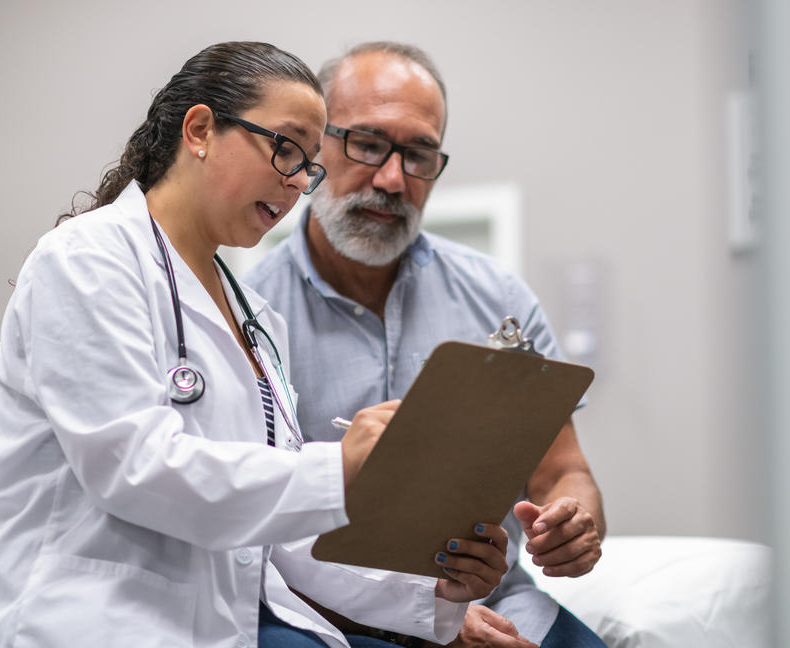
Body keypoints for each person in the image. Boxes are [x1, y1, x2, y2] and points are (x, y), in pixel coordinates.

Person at [0, 41, 511, 648]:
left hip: (216, 624)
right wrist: (339, 465)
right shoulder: (86, 261)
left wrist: (429, 589)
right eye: (285, 148)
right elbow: (133, 467)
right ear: (199, 129)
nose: (300, 180)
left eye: (310, 164)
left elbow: (277, 532)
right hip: (88, 618)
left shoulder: (256, 318)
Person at [247, 42, 608, 648]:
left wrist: (573, 522)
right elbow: (247, 536)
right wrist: (424, 618)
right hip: (321, 609)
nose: (392, 179)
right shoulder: (250, 313)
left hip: (491, 599)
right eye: (366, 144)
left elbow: (564, 472)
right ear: (316, 146)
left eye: (418, 155)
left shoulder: (497, 298)